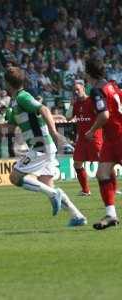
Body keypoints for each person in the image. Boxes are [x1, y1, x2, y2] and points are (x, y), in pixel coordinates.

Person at [0, 66, 87, 227]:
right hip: (44, 146)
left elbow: (43, 108)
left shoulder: (23, 97)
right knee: (47, 184)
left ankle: (53, 194)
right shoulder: (16, 102)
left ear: (7, 83)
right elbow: (10, 127)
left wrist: (53, 131)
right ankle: (77, 216)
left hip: (40, 145)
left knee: (15, 177)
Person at [85, 58, 122, 230]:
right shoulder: (113, 86)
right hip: (111, 139)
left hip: (119, 137)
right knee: (102, 173)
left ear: (87, 73)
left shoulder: (97, 90)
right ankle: (111, 215)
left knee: (103, 173)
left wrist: (92, 131)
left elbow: (104, 115)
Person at [65, 80, 103, 196]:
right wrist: (71, 104)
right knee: (77, 164)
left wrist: (94, 131)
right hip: (82, 140)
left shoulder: (91, 101)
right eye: (74, 90)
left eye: (78, 89)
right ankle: (85, 190)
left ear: (83, 88)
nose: (76, 92)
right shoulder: (76, 104)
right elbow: (68, 118)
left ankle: (110, 187)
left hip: (94, 138)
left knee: (105, 164)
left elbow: (102, 117)